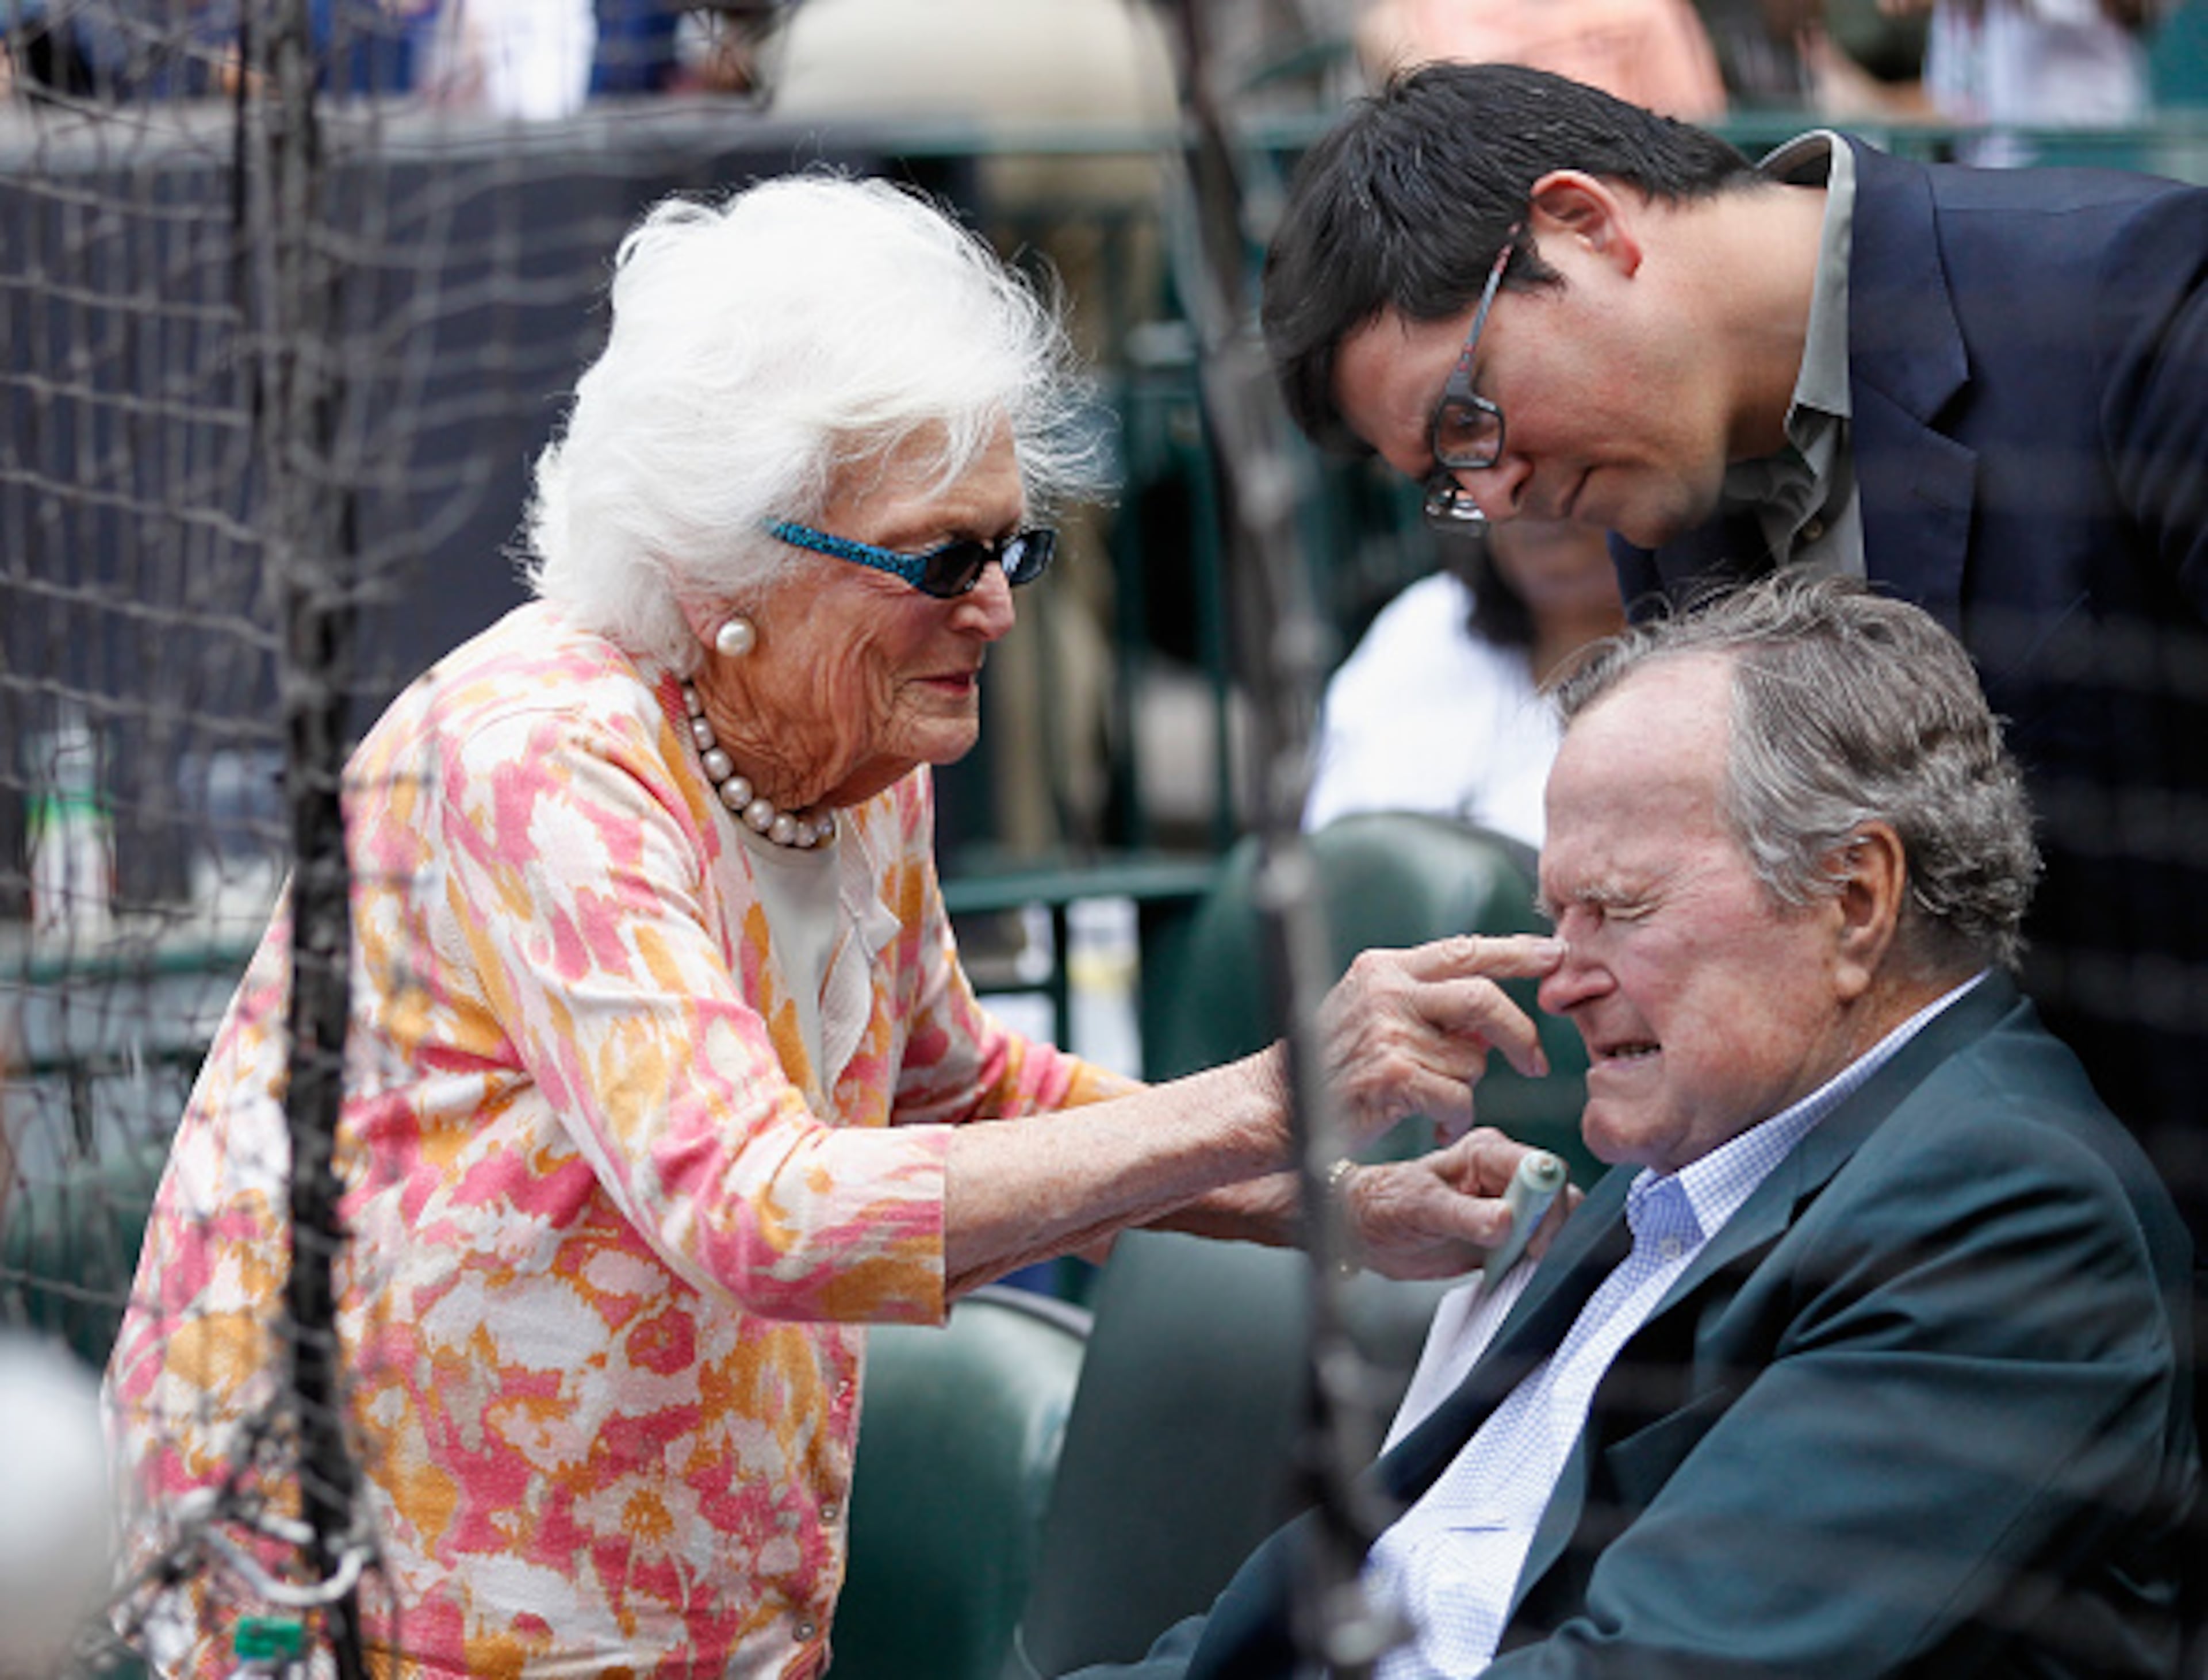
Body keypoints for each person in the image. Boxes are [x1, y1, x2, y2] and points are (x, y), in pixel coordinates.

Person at [103, 174, 1574, 1679]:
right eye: (941, 559)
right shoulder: (534, 755)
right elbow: (759, 1207)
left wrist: (1336, 1199)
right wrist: (1271, 1094)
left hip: (693, 1601)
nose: (994, 608)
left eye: (1016, 549)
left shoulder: (859, 751)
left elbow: (960, 1095)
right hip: (379, 1605)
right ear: (723, 560)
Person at [1072, 573, 2198, 1680]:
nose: (1559, 980)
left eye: (1617, 908)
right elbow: (1379, 1582)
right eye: (1554, 913)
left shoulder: (2004, 1213)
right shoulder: (1709, 1144)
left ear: (1854, 902)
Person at [1258, 56, 2208, 1282]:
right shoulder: (1667, 499)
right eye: (1446, 477)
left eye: (1469, 418)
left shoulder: (2129, 305)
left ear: (1583, 225)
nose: (1492, 498)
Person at [1303, 516, 1624, 847]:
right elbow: (1331, 827)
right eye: (1520, 486)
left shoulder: (1672, 668)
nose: (1538, 513)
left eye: (1573, 478)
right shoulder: (1430, 620)